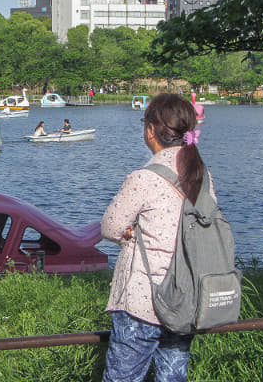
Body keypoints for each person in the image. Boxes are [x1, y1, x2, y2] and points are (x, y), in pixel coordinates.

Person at [101, 93, 214, 382]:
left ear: (151, 130)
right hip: (185, 298)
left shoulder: (144, 177)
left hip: (143, 300)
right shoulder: (202, 176)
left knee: (122, 378)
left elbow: (111, 227)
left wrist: (131, 233)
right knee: (173, 377)